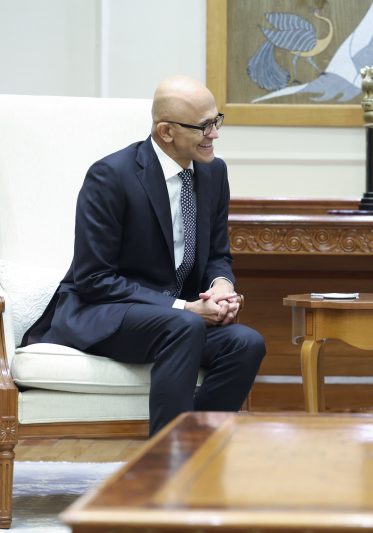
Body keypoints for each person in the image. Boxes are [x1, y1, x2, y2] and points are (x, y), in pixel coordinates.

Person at [22, 75, 266, 436]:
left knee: (247, 343)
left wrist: (220, 287)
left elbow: (217, 254)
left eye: (217, 121)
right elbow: (94, 280)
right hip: (106, 312)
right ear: (166, 132)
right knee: (183, 325)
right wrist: (185, 308)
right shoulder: (111, 176)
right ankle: (166, 462)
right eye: (204, 126)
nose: (214, 134)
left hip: (175, 320)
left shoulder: (214, 172)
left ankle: (194, 449)